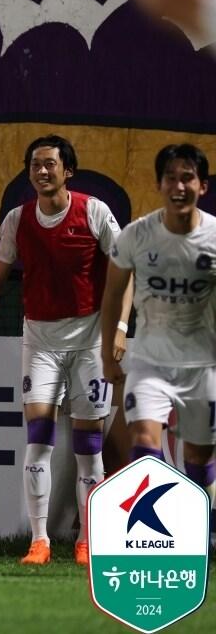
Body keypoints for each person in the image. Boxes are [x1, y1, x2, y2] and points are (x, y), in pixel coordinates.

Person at [0, 135, 131, 567]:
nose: (42, 172)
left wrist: (117, 326)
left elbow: (124, 270)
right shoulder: (17, 220)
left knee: (88, 445)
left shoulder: (93, 211)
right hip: (40, 339)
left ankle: (86, 541)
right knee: (38, 437)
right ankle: (39, 541)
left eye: (50, 165)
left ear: (68, 171)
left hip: (89, 338)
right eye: (35, 165)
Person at [101, 144, 216, 520]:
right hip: (150, 363)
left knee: (199, 458)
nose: (178, 186)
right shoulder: (137, 236)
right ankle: (160, 534)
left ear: (203, 186)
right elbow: (113, 292)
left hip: (203, 365)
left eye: (187, 178)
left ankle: (204, 529)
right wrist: (107, 353)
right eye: (171, 178)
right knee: (144, 441)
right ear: (159, 184)